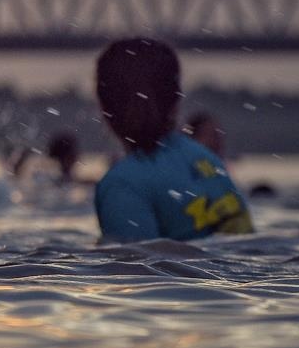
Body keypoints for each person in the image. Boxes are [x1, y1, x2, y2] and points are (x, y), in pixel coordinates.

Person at [93, 38, 253, 242]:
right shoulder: (206, 161)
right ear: (176, 101)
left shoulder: (122, 185)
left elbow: (132, 270)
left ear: (104, 107)